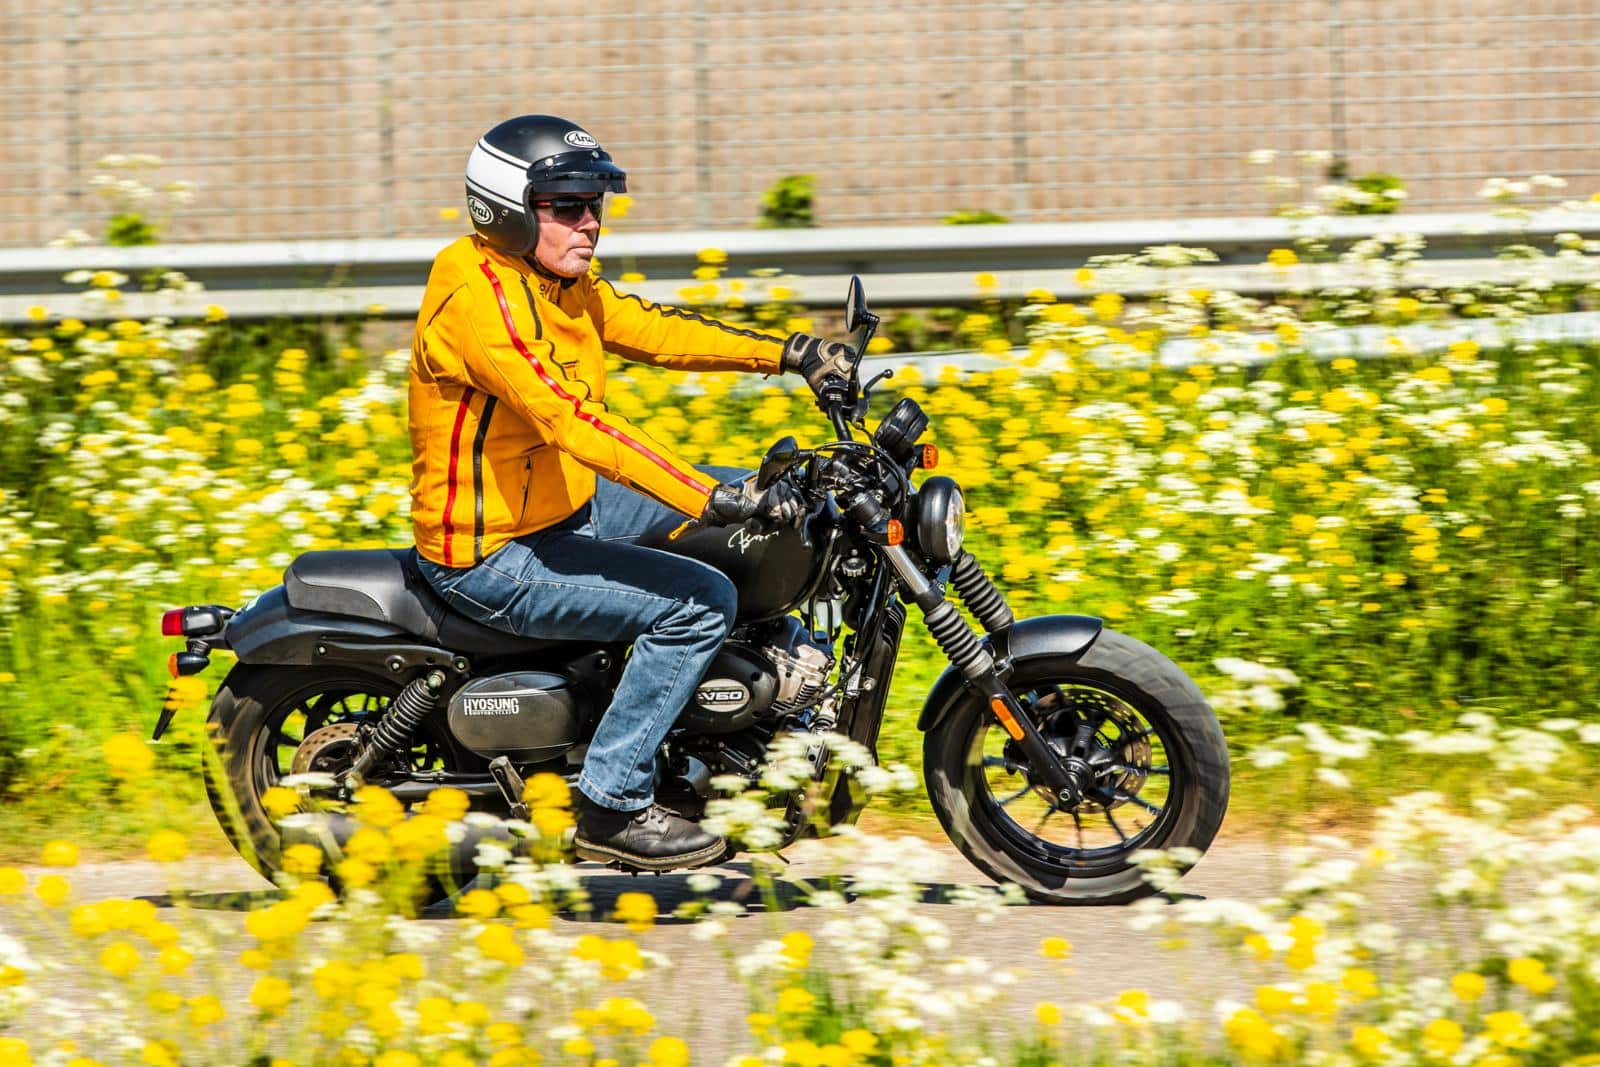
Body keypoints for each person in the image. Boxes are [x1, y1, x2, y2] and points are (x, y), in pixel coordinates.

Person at [408, 115, 853, 870]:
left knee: (758, 511)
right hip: (492, 551)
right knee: (697, 599)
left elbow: (657, 332)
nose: (590, 223)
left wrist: (788, 352)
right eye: (566, 205)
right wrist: (697, 497)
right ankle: (611, 802)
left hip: (560, 504)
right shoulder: (485, 305)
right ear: (509, 208)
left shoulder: (555, 281)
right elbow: (575, 421)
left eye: (595, 205)